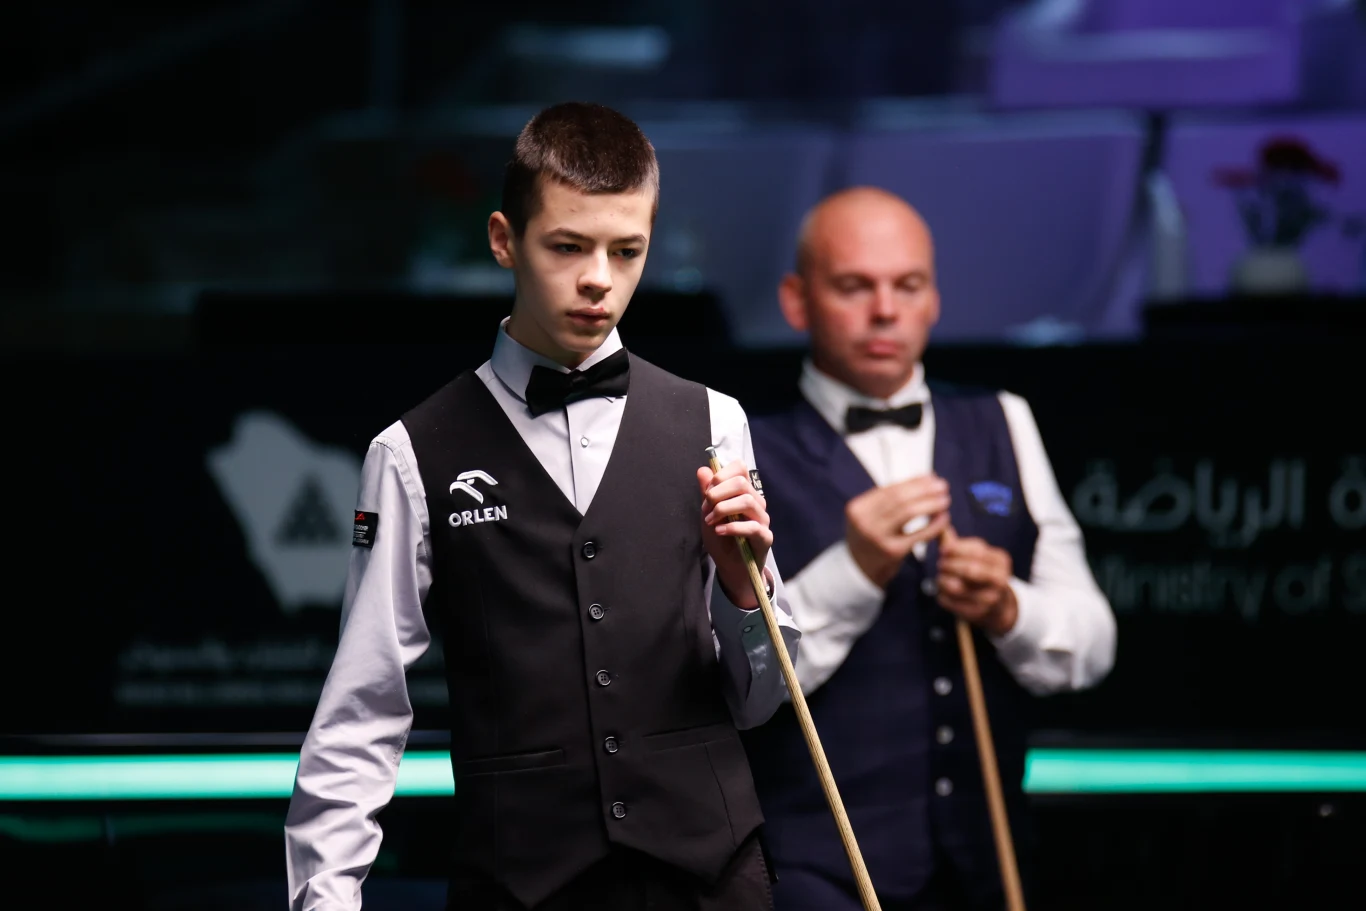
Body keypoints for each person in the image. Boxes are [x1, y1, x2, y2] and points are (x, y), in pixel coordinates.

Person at [284, 102, 800, 911]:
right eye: (567, 246)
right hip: (520, 886)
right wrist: (325, 898)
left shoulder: (713, 422)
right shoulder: (412, 452)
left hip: (711, 880)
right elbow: (364, 707)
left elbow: (762, 698)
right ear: (503, 240)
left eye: (626, 250)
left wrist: (746, 592)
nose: (599, 278)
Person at [740, 187, 1116, 910]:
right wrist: (853, 571)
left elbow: (1093, 644)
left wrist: (1009, 609)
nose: (885, 310)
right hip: (817, 876)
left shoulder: (1004, 420)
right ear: (796, 300)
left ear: (934, 299)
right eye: (855, 286)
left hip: (988, 865)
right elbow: (738, 686)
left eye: (907, 285)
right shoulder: (742, 445)